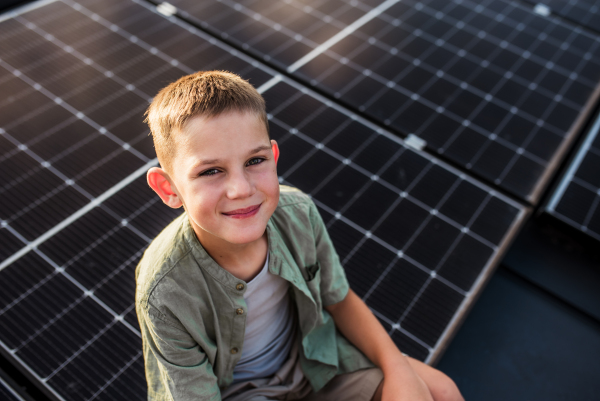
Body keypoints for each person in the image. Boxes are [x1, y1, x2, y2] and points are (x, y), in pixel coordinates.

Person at [135, 70, 464, 401]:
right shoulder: (163, 292)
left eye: (254, 161)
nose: (241, 189)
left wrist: (397, 370)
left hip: (312, 361)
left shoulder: (298, 213)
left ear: (274, 158)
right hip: (240, 394)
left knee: (441, 392)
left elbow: (340, 299)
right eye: (210, 171)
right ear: (169, 188)